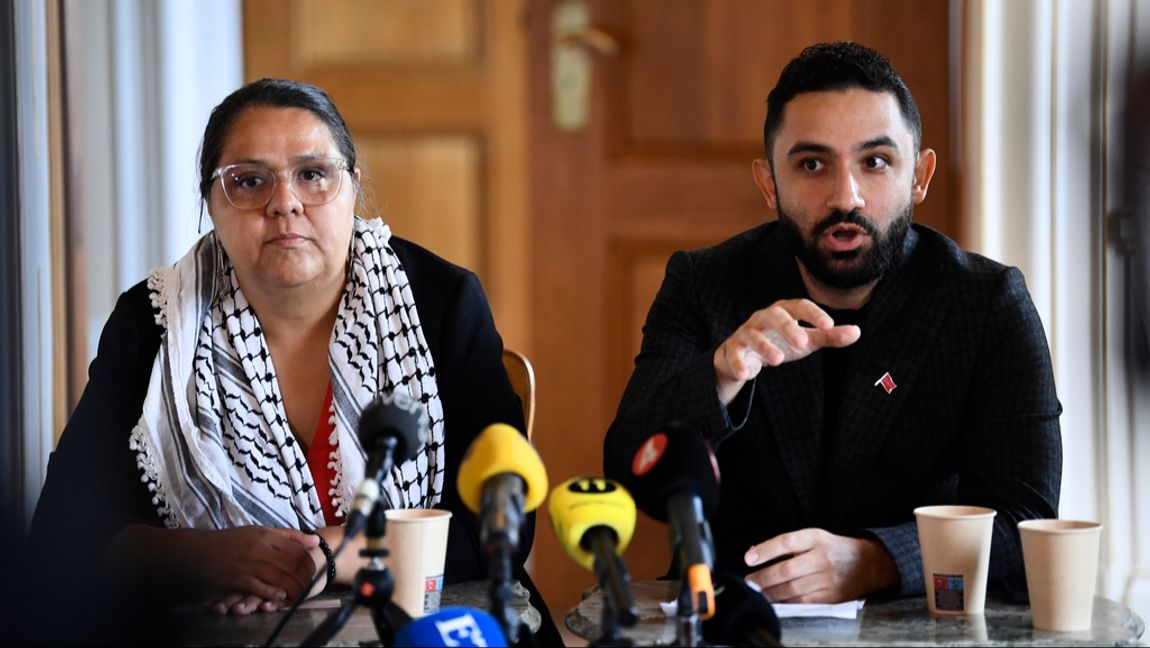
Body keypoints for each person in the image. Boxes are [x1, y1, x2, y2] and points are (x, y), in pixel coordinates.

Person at [21, 78, 561, 645]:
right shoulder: (154, 323)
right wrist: (201, 557)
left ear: (353, 187)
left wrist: (326, 556)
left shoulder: (440, 302)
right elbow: (64, 537)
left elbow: (500, 530)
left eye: (313, 174)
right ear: (211, 205)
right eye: (249, 181)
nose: (285, 202)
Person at [604, 42, 1062, 604]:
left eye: (875, 162)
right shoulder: (705, 284)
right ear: (769, 182)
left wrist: (876, 561)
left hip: (915, 624)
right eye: (813, 165)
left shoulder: (986, 302)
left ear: (919, 175)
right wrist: (720, 375)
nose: (846, 197)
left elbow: (1027, 520)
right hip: (738, 621)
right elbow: (628, 473)